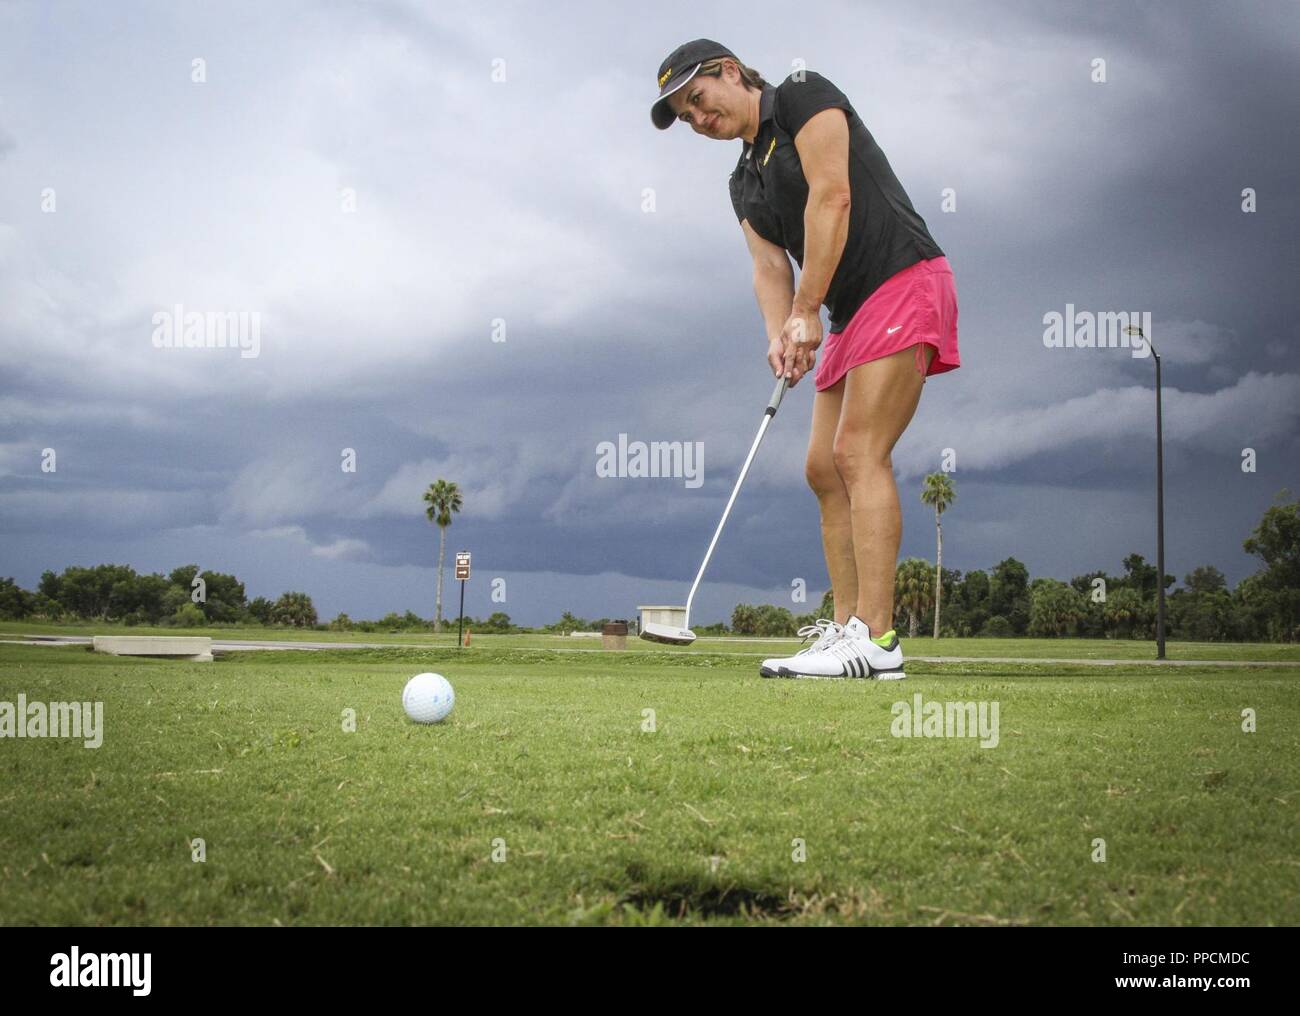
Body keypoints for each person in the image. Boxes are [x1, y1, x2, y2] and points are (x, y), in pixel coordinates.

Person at [651, 40, 960, 680]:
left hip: (901, 277)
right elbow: (769, 266)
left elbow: (833, 197)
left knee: (857, 453)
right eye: (685, 116)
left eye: (699, 100)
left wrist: (807, 308)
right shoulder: (743, 182)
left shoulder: (802, 96)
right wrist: (780, 331)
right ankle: (847, 632)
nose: (698, 120)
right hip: (844, 310)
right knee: (823, 468)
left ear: (730, 73)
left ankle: (878, 640)